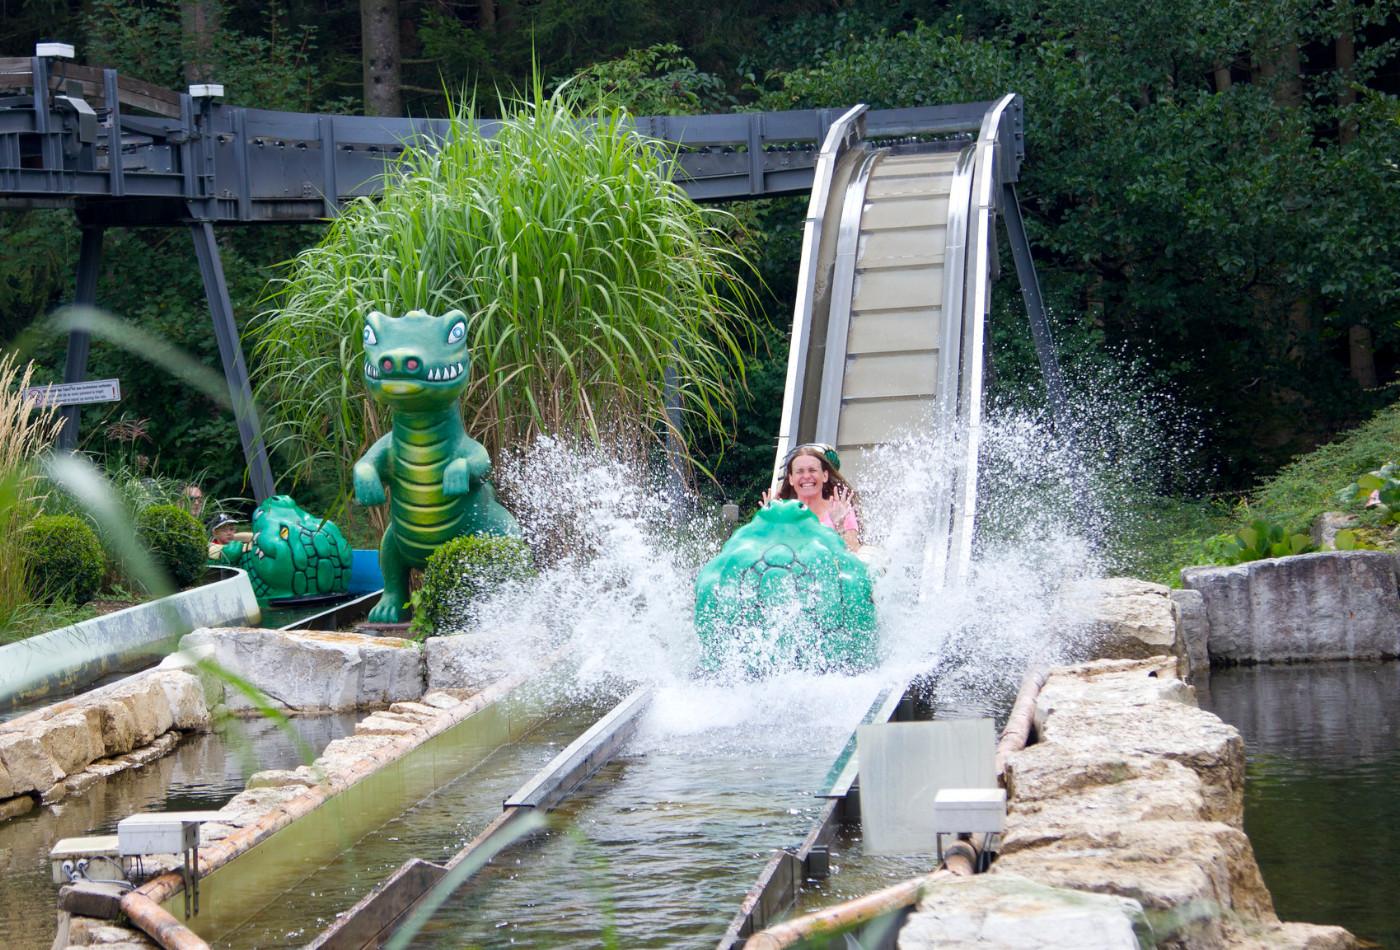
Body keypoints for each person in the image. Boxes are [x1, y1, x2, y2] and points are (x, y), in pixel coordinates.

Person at [764, 443, 860, 551]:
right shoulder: (782, 514)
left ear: (825, 476)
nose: (806, 476)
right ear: (791, 479)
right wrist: (767, 523)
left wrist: (840, 527)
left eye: (812, 470)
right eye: (799, 471)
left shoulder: (841, 510)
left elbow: (854, 554)